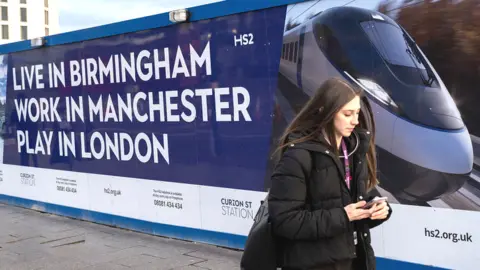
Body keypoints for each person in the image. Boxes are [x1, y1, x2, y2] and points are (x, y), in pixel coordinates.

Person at [268, 77, 392, 270]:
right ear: (325, 112)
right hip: (313, 264)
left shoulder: (354, 150)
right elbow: (285, 221)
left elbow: (362, 198)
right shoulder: (298, 155)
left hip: (353, 260)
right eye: (348, 114)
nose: (355, 121)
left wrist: (379, 211)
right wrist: (343, 216)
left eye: (357, 113)